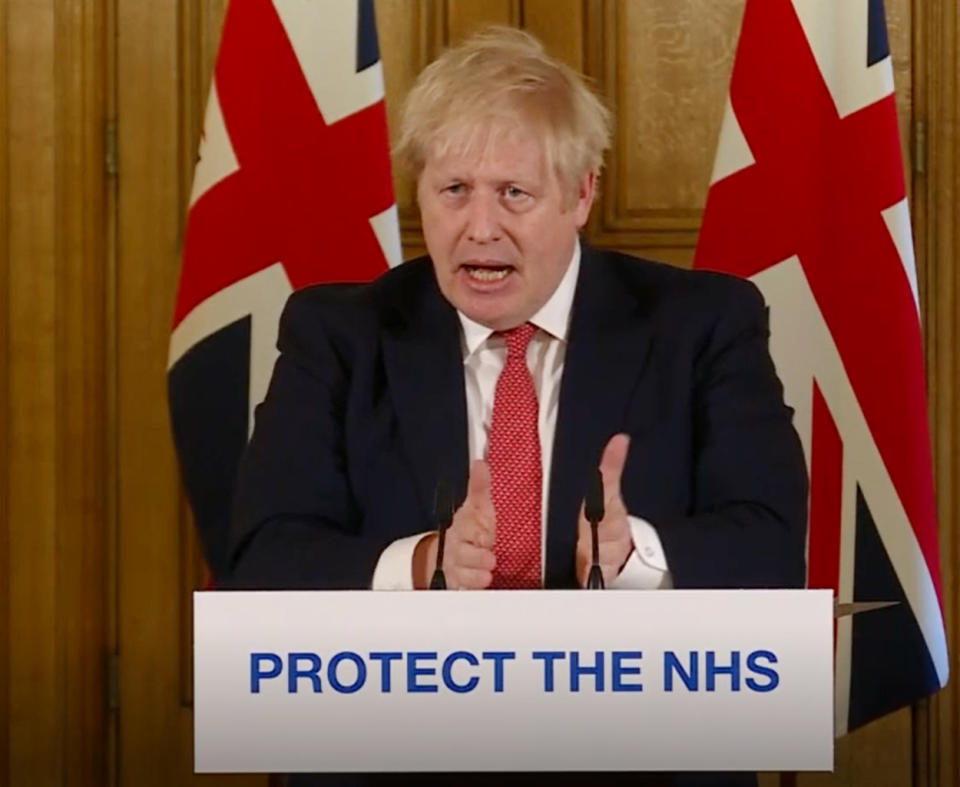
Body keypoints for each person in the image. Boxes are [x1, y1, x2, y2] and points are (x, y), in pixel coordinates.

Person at [228, 26, 807, 787]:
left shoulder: (702, 325)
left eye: (514, 193)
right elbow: (258, 570)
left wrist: (636, 559)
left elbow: (771, 547)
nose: (480, 227)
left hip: (635, 755)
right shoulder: (339, 336)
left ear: (581, 194)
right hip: (397, 757)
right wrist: (421, 562)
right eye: (454, 189)